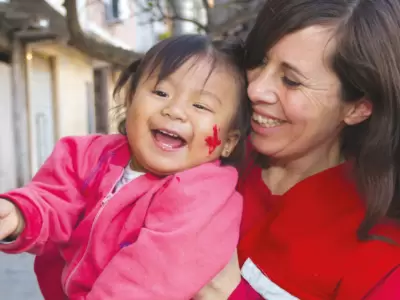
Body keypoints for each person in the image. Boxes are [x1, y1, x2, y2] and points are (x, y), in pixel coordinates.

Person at [0, 34, 251, 299]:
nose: (175, 110)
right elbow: (54, 199)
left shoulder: (203, 194)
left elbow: (148, 276)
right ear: (131, 97)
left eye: (200, 105)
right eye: (161, 92)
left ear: (228, 142)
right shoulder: (86, 154)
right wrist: (19, 214)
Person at [197, 0, 400, 299]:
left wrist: (231, 293)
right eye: (260, 61)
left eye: (291, 81)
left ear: (358, 107)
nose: (255, 89)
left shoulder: (381, 254)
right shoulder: (209, 151)